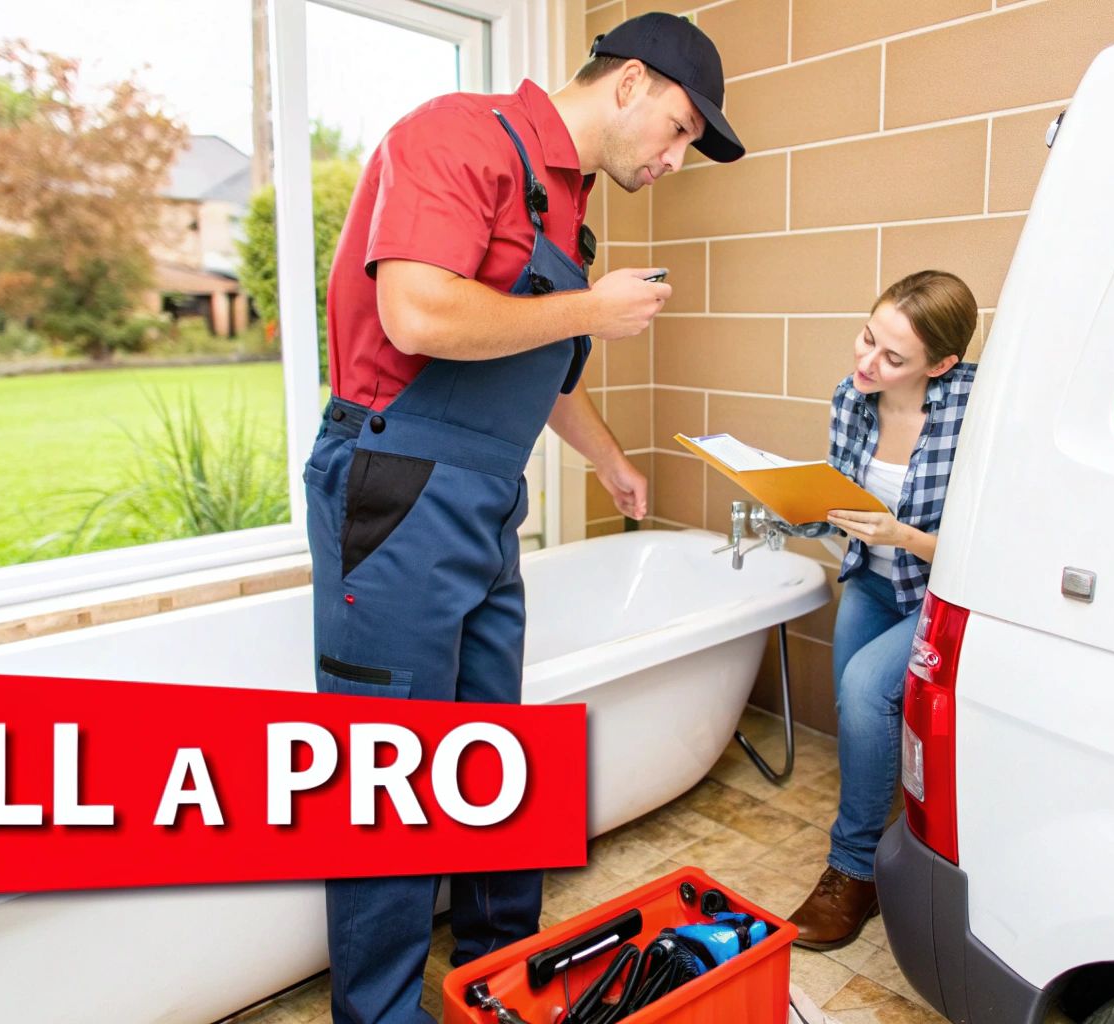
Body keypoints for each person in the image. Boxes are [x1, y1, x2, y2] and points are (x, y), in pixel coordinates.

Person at [304, 13, 746, 1023]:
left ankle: (510, 970)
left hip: (484, 498)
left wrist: (612, 463)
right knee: (390, 772)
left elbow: (529, 367)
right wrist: (593, 309)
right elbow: (418, 312)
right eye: (677, 130)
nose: (675, 159)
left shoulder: (568, 210)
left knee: (493, 753)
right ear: (627, 84)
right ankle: (378, 1013)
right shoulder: (459, 135)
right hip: (397, 486)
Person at [787, 270, 979, 950]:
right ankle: (883, 852)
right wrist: (791, 502)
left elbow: (996, 543)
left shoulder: (977, 406)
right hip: (873, 580)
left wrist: (907, 537)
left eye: (893, 358)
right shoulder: (852, 397)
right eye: (868, 337)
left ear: (942, 364)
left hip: (939, 593)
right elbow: (836, 501)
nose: (868, 363)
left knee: (869, 687)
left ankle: (852, 872)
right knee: (857, 707)